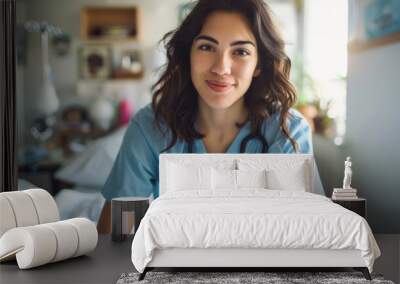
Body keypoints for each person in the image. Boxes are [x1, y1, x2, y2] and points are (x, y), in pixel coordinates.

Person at [98, 0, 314, 232]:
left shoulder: (288, 130)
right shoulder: (149, 126)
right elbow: (114, 233)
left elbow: (300, 232)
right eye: (207, 47)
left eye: (240, 52)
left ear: (258, 65)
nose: (221, 68)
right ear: (187, 53)